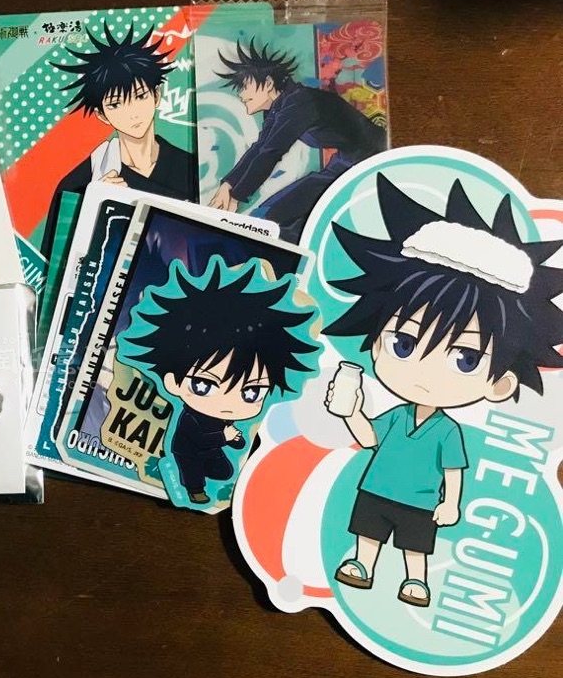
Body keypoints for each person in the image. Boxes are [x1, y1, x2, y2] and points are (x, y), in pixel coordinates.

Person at [323, 174, 563, 607]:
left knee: (415, 545)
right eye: (404, 343)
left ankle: (416, 582)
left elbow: (454, 470)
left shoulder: (446, 430)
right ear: (376, 343)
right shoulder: (398, 415)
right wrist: (350, 411)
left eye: (465, 359)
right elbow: (370, 438)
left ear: (500, 384)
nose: (423, 372)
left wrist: (451, 503)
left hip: (419, 502)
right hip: (376, 489)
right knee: (367, 533)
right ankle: (361, 565)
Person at [122, 259, 317, 504]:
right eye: (204, 385)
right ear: (172, 383)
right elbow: (198, 439)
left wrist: (236, 439)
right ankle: (195, 491)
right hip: (188, 450)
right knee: (193, 474)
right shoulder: (191, 418)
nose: (228, 402)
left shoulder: (227, 416)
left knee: (225, 472)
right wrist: (225, 436)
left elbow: (235, 439)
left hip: (213, 448)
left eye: (252, 392)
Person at [41, 24, 198, 258]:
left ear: (156, 96)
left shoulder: (192, 168)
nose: (132, 112)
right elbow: (53, 263)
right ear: (102, 114)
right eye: (115, 104)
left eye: (140, 96)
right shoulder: (80, 183)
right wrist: (95, 206)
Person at [207, 40, 387, 242]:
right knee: (269, 216)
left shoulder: (299, 102)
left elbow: (271, 152)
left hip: (370, 161)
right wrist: (229, 185)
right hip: (345, 163)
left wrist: (237, 195)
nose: (241, 95)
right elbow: (260, 148)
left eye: (244, 87)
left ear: (268, 83)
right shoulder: (280, 107)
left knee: (274, 220)